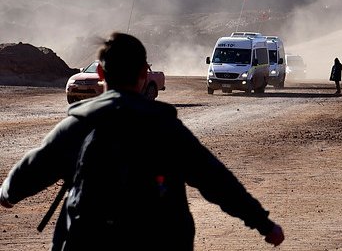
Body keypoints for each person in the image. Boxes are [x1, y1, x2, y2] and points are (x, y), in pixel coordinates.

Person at [0, 32, 285, 250]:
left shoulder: (79, 125)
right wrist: (263, 224)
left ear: (100, 74)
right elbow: (216, 180)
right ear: (142, 75)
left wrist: (8, 194)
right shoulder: (166, 127)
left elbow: (33, 168)